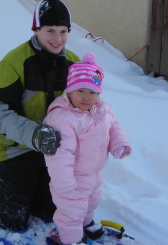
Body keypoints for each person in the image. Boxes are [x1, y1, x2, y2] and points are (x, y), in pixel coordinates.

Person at [0, 0, 81, 232]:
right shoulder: (14, 63)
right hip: (16, 148)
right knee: (12, 219)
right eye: (50, 30)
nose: (57, 39)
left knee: (49, 209)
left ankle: (8, 178)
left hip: (53, 151)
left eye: (63, 31)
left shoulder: (74, 64)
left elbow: (86, 105)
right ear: (36, 30)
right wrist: (34, 134)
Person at [43, 52, 132, 245]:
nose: (86, 97)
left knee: (92, 202)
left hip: (95, 172)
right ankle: (71, 240)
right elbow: (59, 154)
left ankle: (87, 223)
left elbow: (113, 125)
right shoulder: (62, 118)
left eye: (92, 92)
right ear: (69, 91)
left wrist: (119, 144)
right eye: (80, 91)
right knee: (71, 212)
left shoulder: (103, 109)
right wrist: (64, 183)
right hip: (73, 177)